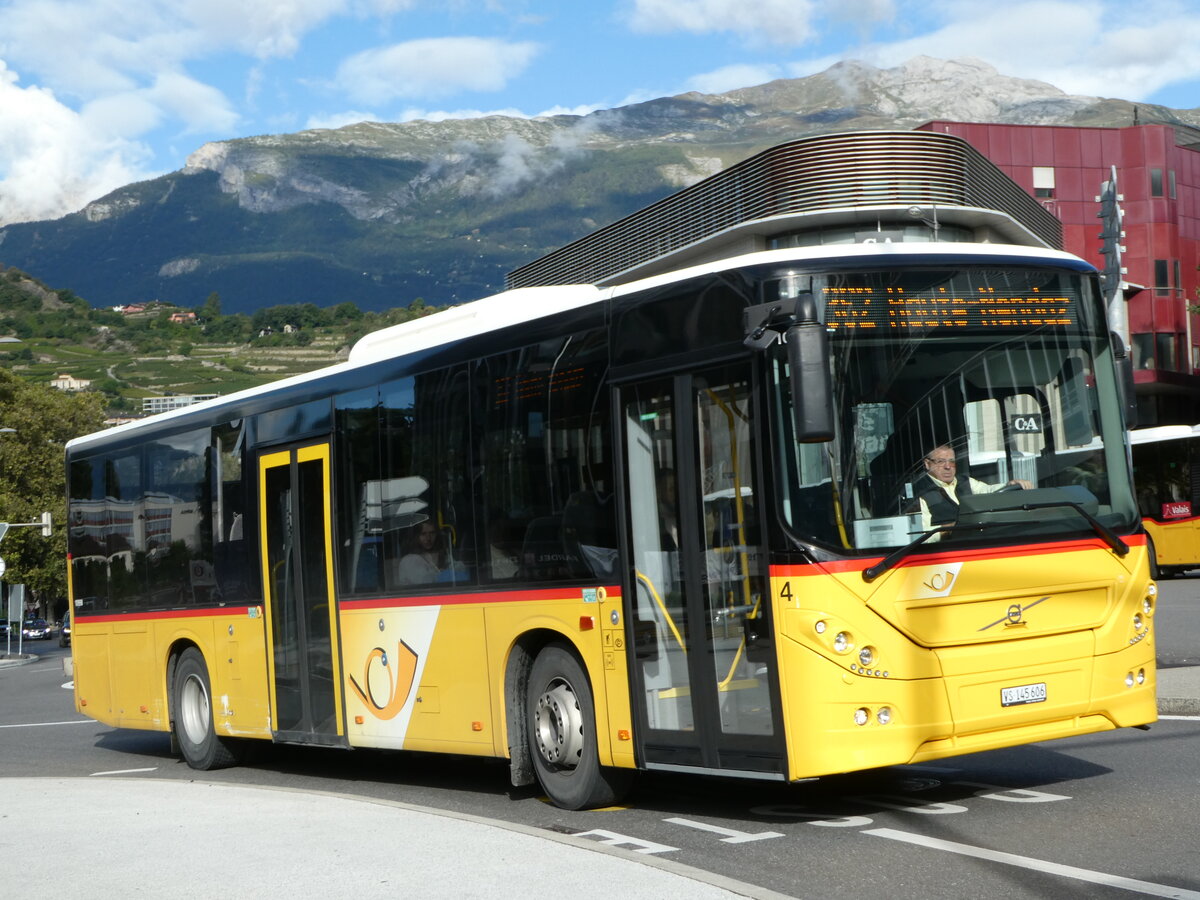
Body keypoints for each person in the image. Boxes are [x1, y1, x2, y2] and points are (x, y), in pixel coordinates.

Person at [916, 444, 1033, 530]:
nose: (948, 466)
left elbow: (988, 491)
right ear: (927, 464)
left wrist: (1010, 484)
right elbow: (923, 534)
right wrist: (950, 529)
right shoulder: (918, 492)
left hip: (976, 541)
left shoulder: (965, 481)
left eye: (951, 461)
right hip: (945, 550)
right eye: (941, 461)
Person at [395, 520, 444, 585]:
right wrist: (443, 573)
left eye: (432, 533)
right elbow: (426, 583)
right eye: (423, 534)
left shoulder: (435, 554)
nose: (428, 538)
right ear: (415, 536)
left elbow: (459, 567)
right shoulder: (409, 560)